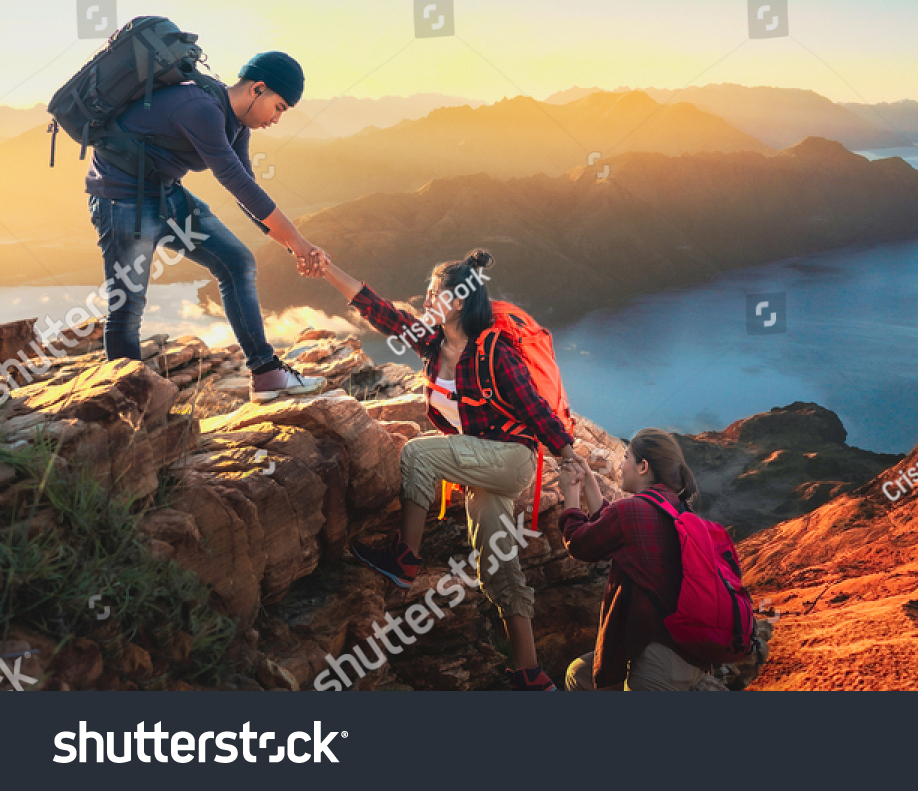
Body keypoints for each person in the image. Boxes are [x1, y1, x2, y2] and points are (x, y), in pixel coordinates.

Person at [314, 247, 584, 692]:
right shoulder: (432, 342)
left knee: (419, 454)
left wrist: (569, 454)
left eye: (431, 293)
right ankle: (530, 673)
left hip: (511, 459)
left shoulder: (495, 352)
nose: (424, 300)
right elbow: (378, 309)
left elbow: (535, 410)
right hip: (480, 463)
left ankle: (406, 560)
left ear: (456, 301)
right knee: (497, 568)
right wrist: (326, 270)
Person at [84, 50, 326, 402]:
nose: (277, 119)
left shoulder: (237, 123)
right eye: (279, 107)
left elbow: (249, 193)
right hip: (120, 200)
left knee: (237, 261)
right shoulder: (200, 108)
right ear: (258, 88)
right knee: (127, 304)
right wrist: (299, 242)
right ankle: (128, 408)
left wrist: (293, 247)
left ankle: (266, 373)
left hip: (166, 194)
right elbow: (235, 182)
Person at [559, 429, 711, 691]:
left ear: (643, 467)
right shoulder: (678, 508)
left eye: (627, 457)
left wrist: (570, 495)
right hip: (691, 651)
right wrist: (589, 485)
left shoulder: (633, 511)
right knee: (580, 674)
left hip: (658, 658)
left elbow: (580, 544)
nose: (621, 464)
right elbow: (612, 530)